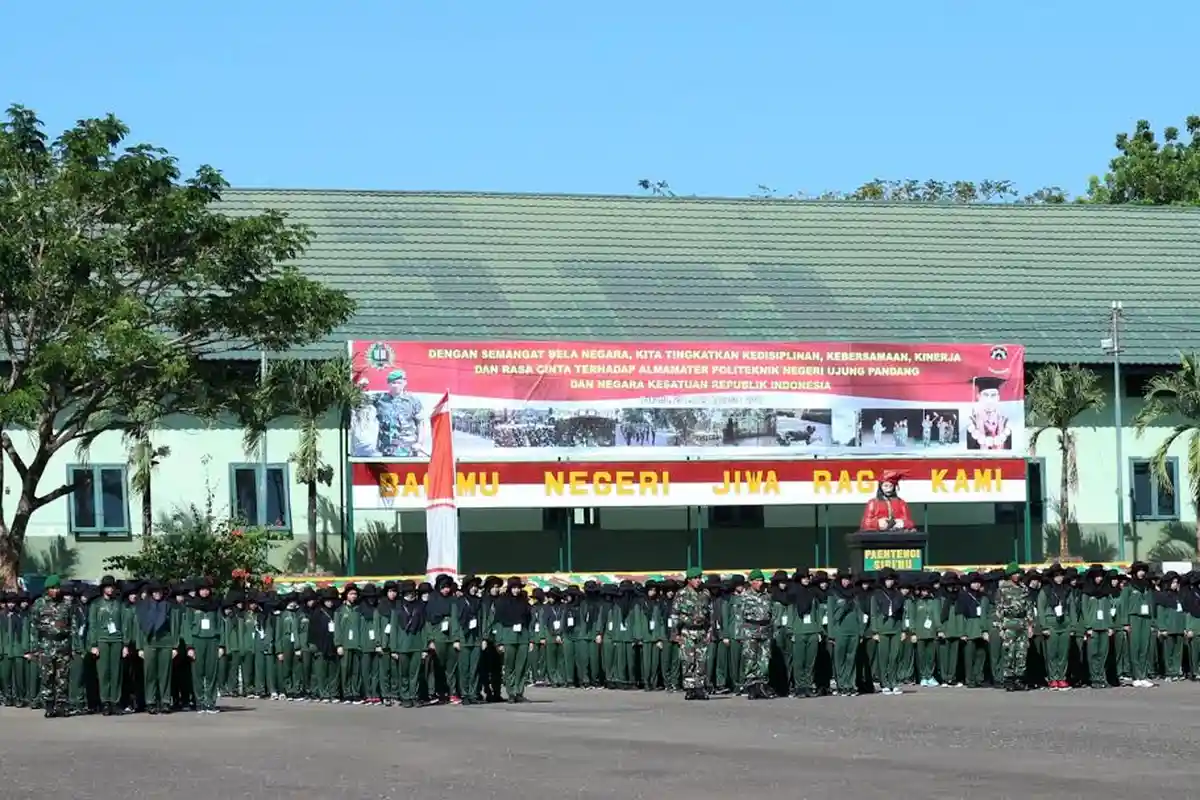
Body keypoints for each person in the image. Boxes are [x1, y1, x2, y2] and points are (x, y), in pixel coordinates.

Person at [29, 575, 73, 718]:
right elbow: (33, 627)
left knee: (62, 677)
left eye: (57, 587)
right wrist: (34, 649)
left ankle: (61, 705)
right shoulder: (39, 604)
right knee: (47, 676)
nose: (55, 591)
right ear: (47, 589)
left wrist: (74, 646)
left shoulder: (66, 604)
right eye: (52, 588)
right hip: (46, 645)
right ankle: (48, 705)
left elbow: (73, 625)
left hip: (63, 645)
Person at [670, 567, 711, 700]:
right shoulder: (681, 594)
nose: (698, 580)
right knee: (688, 660)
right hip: (687, 631)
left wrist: (710, 631)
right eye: (695, 578)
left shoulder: (705, 593)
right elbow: (675, 615)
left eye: (699, 578)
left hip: (702, 632)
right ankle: (690, 688)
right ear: (689, 580)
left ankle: (700, 687)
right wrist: (675, 633)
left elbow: (710, 614)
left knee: (702, 660)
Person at [995, 563, 1035, 691]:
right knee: (1009, 652)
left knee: (1021, 653)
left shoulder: (1024, 588)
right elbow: (998, 609)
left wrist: (1030, 625)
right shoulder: (1003, 589)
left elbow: (1029, 607)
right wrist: (1000, 627)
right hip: (1009, 623)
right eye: (1015, 574)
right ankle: (1008, 679)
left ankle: (1019, 678)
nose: (1017, 576)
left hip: (1022, 623)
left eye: (1018, 573)